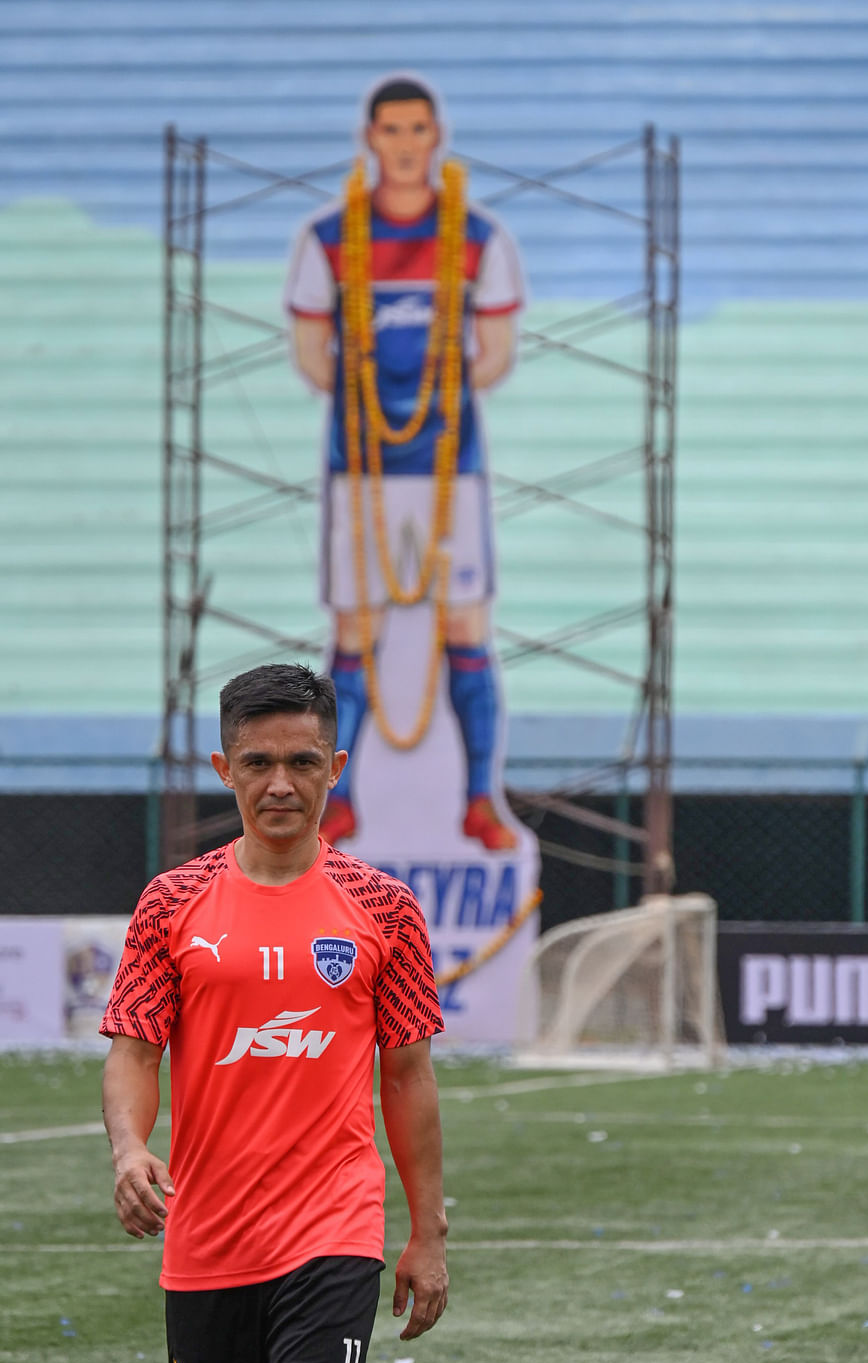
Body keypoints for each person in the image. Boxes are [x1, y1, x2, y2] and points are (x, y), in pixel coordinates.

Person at [100, 662, 448, 1363]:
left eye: (304, 760)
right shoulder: (172, 903)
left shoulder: (383, 908)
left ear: (336, 768)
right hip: (208, 1228)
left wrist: (427, 1228)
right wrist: (128, 1147)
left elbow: (409, 1076)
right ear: (223, 769)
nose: (282, 781)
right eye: (259, 762)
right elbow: (134, 1047)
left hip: (333, 1222)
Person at [284, 73, 525, 852]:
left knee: (466, 623)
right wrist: (372, 414)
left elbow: (493, 356)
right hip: (360, 471)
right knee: (355, 630)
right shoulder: (329, 239)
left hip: (451, 469)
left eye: (419, 129)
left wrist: (434, 405)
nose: (406, 145)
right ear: (370, 138)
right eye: (391, 129)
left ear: (437, 136)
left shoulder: (479, 238)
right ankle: (341, 798)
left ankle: (480, 799)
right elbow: (312, 356)